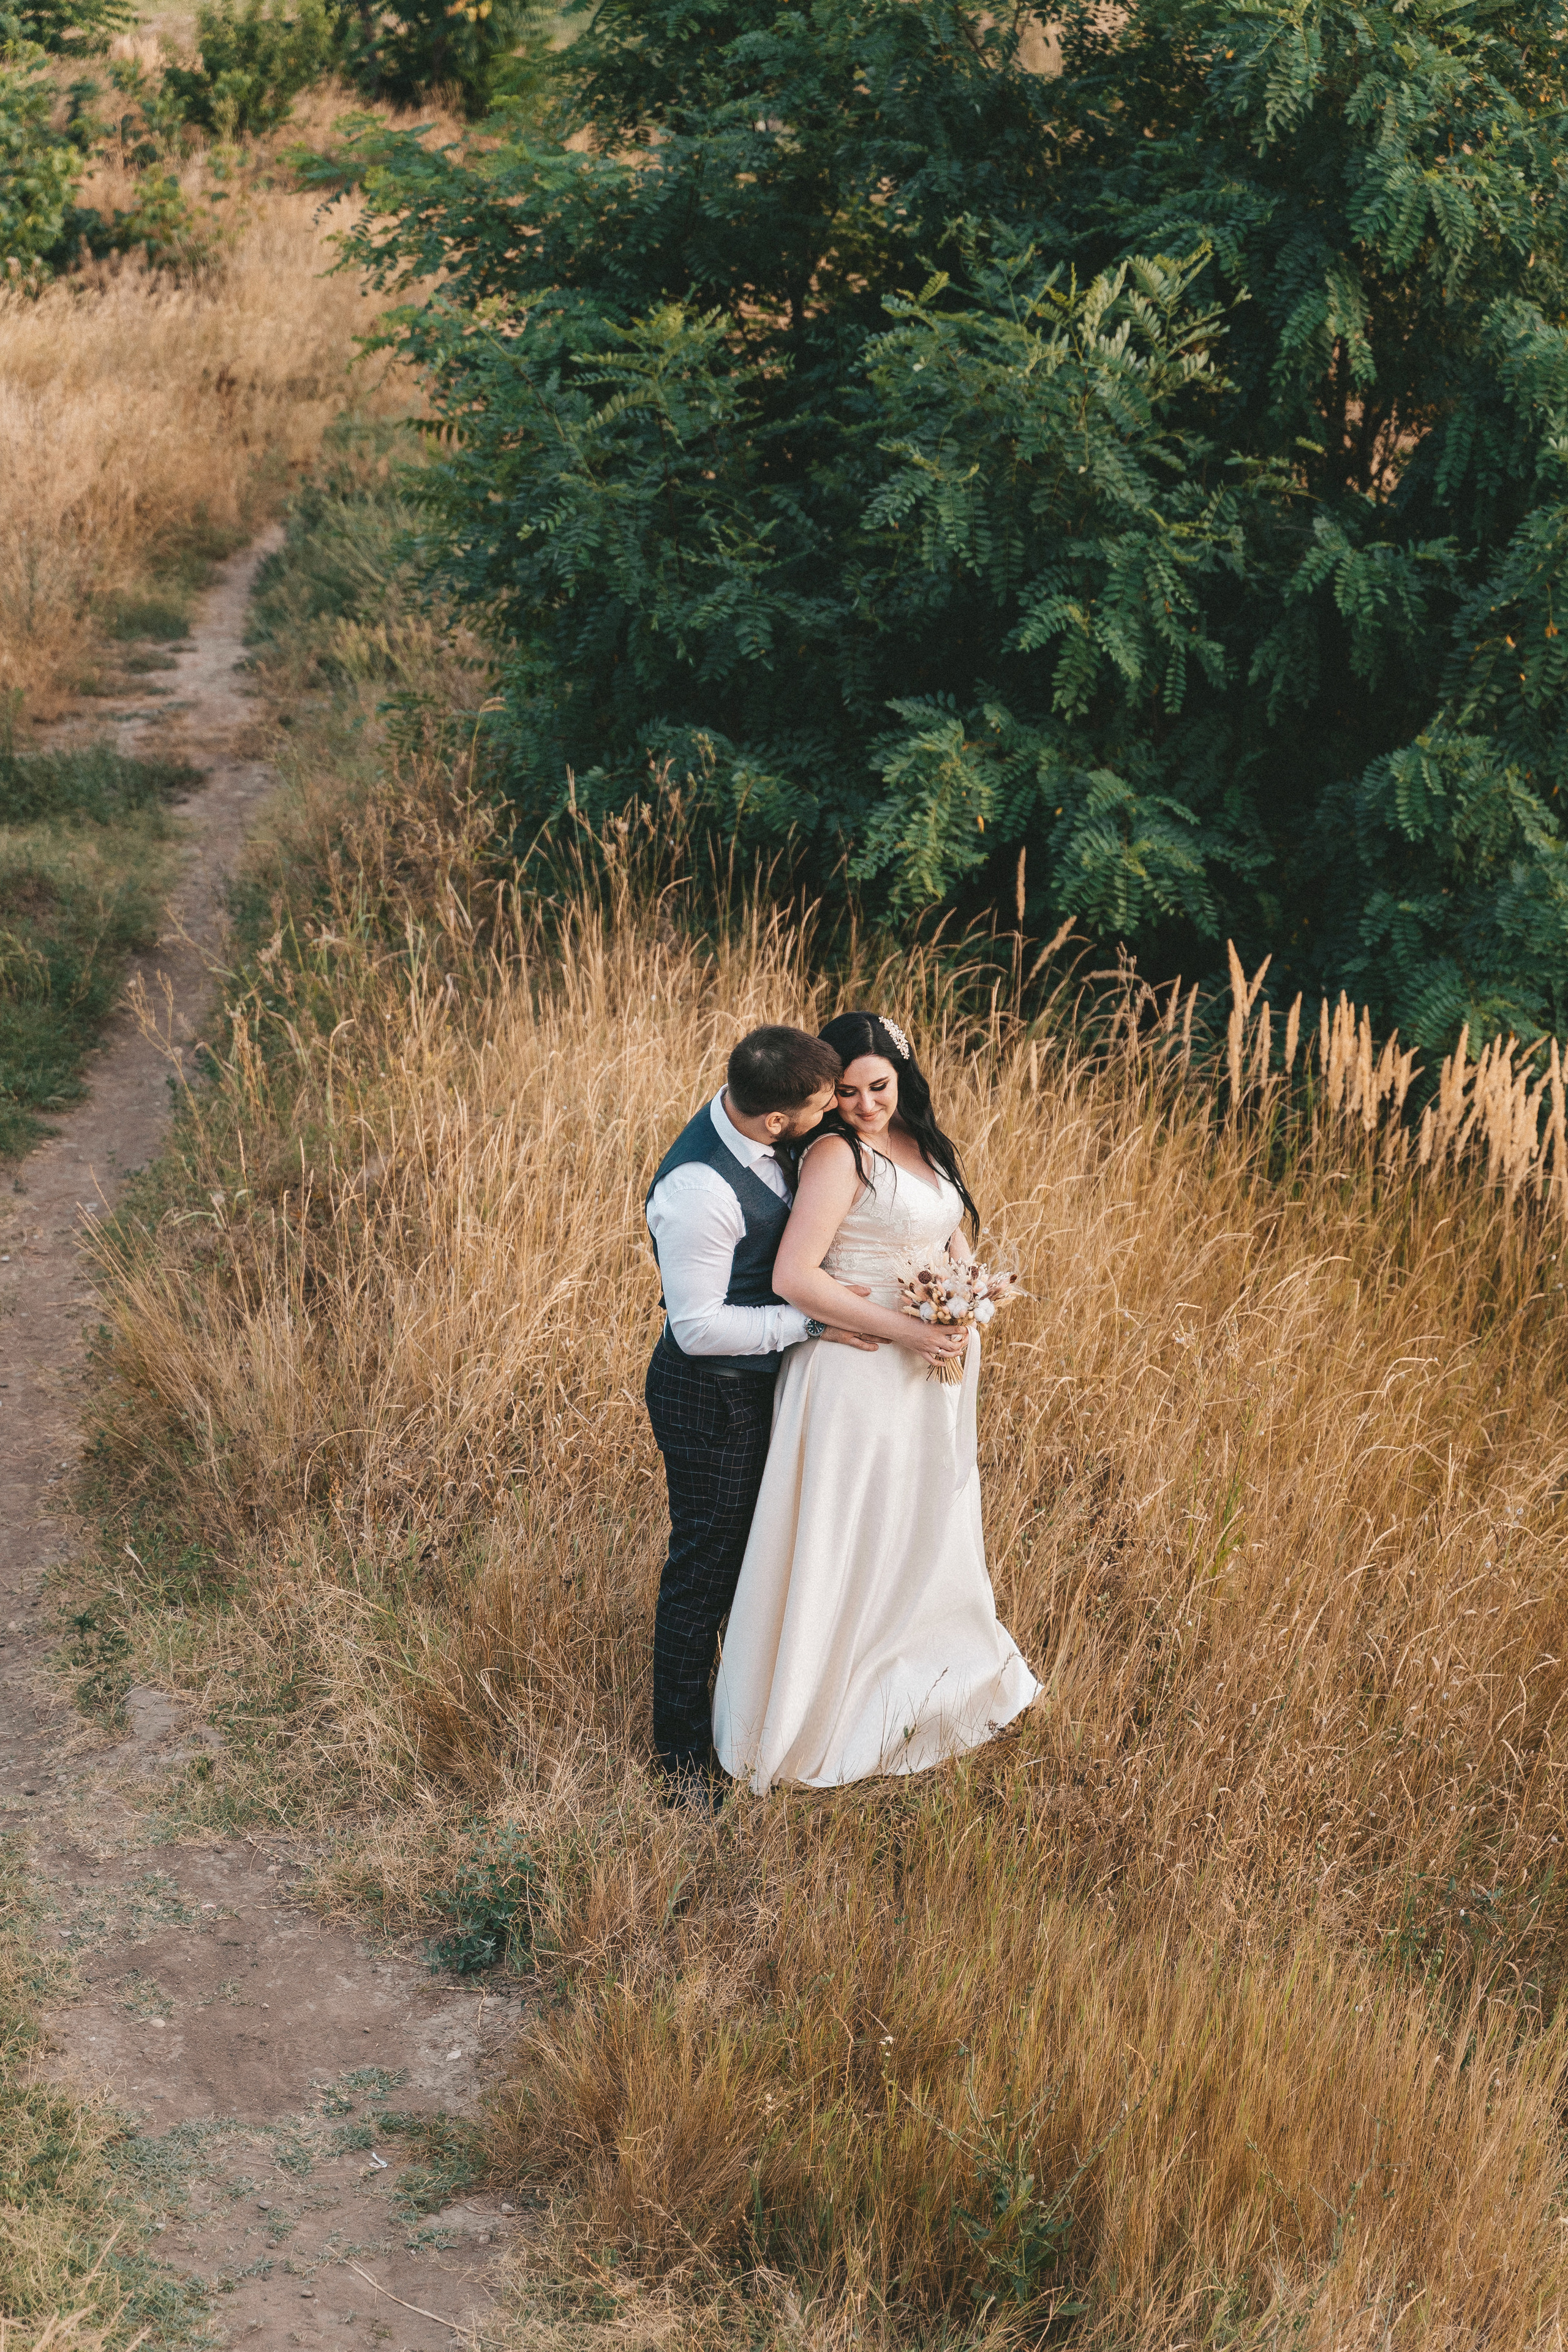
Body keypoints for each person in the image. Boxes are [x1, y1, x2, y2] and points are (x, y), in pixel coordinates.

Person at [712, 1010, 1039, 1792]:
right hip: (858, 1374)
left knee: (919, 1520)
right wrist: (909, 1331)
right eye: (849, 1092)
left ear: (905, 1076)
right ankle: (818, 1711)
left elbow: (946, 1234)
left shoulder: (922, 1142)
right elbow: (797, 1278)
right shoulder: (834, 1154)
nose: (864, 1105)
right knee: (850, 1529)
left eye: (879, 1087)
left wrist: (969, 1299)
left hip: (929, 1366)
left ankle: (917, 1671)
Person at [644, 1025, 878, 1807]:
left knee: (757, 1558)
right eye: (823, 1104)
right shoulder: (699, 1193)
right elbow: (698, 1329)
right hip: (711, 1396)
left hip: (760, 1385)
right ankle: (679, 1763)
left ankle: (747, 1715)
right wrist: (810, 1325)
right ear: (776, 1120)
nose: (834, 1113)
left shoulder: (763, 1129)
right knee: (703, 1571)